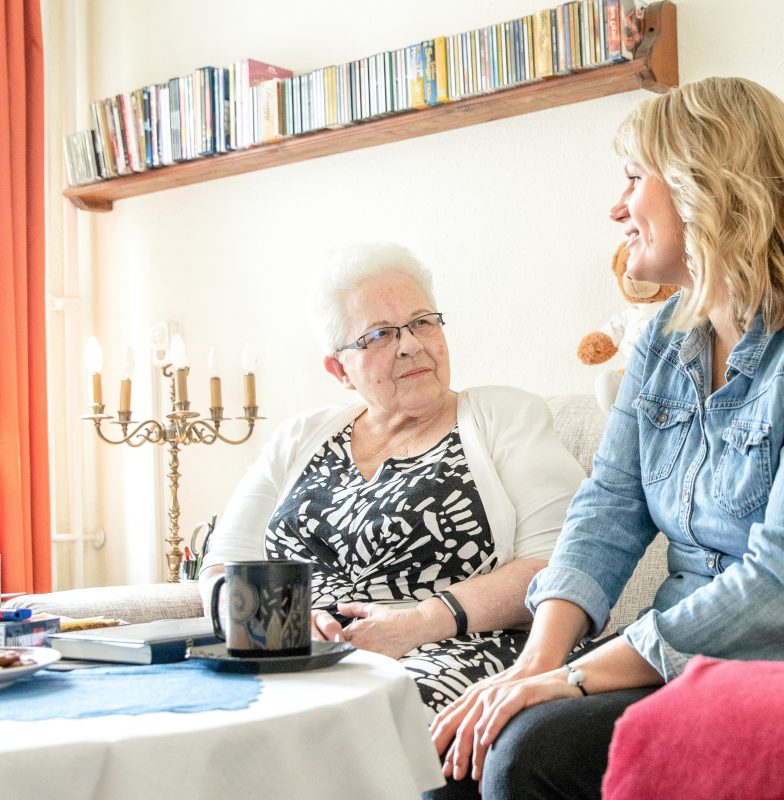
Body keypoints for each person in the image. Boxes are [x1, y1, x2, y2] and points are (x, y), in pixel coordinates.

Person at [428, 76, 784, 799]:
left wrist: (575, 678)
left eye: (634, 178)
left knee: (529, 756)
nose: (616, 207)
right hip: (704, 652)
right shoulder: (667, 334)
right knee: (454, 762)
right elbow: (609, 505)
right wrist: (536, 663)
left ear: (707, 186)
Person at [199, 243, 586, 714]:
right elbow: (223, 565)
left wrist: (421, 621)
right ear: (340, 369)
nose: (411, 344)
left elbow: (560, 563)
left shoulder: (505, 416)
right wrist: (273, 626)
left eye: (423, 321)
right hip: (307, 660)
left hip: (453, 649)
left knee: (350, 710)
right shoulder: (298, 437)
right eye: (379, 335)